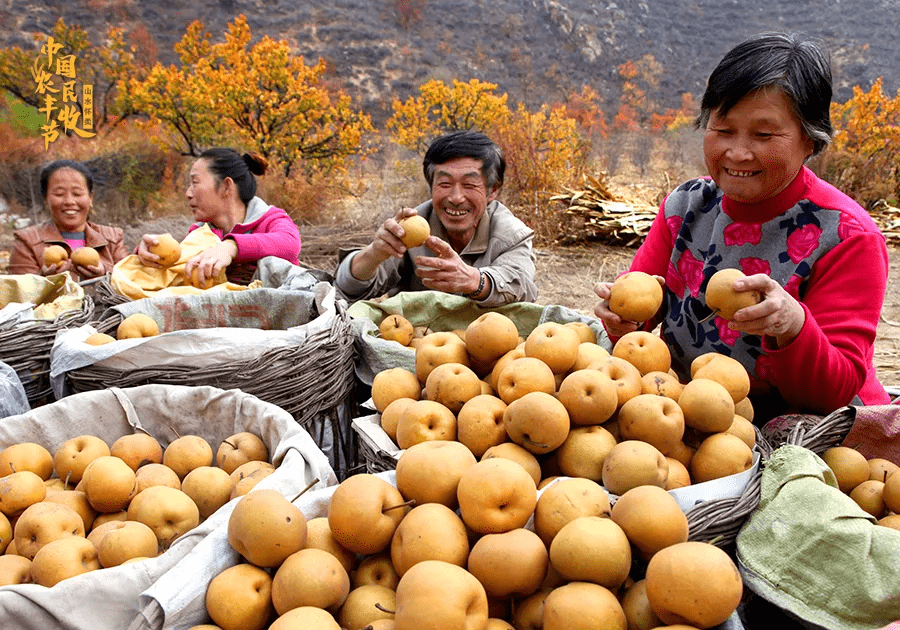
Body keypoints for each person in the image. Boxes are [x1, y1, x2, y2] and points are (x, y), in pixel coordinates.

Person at [593, 32, 890, 423]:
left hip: (811, 435)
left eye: (764, 135)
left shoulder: (848, 237)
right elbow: (640, 326)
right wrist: (622, 320)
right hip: (697, 422)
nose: (737, 152)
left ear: (810, 140)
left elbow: (833, 393)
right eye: (723, 129)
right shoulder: (685, 208)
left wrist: (792, 324)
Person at [334, 130, 538, 307]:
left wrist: (474, 281)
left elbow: (524, 288)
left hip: (488, 343)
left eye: (469, 185)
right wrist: (373, 254)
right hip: (417, 341)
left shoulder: (510, 234)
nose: (456, 198)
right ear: (431, 186)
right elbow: (347, 289)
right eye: (445, 183)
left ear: (492, 190)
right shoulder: (409, 226)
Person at [138, 148, 302, 286]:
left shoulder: (270, 219)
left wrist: (230, 247)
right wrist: (151, 251)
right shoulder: (200, 233)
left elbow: (289, 244)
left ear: (226, 186)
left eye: (195, 183)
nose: (188, 193)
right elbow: (180, 263)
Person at [9, 160, 128, 280]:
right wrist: (46, 281)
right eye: (59, 194)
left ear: (90, 198)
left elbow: (132, 282)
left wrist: (105, 274)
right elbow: (19, 292)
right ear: (46, 199)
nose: (69, 201)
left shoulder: (113, 238)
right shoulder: (27, 241)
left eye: (77, 194)